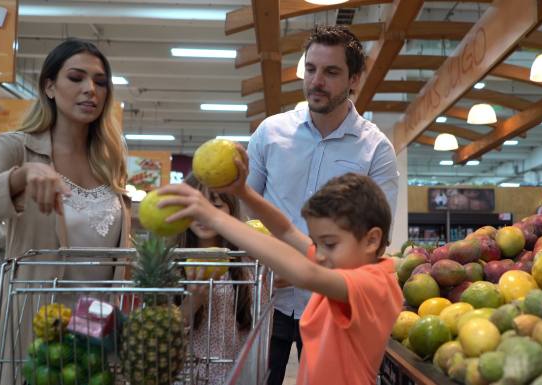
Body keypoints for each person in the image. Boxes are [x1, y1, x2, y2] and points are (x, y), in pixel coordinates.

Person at [157, 153, 403, 385]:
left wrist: (215, 217)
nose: (316, 254)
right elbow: (286, 231)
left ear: (371, 240)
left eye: (328, 244)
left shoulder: (373, 284)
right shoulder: (338, 261)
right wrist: (243, 192)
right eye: (315, 243)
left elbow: (305, 273)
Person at [247, 25, 399, 384]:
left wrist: (310, 271)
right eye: (311, 69)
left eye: (331, 72)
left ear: (354, 80)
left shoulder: (375, 149)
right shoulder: (270, 133)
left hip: (334, 308)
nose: (316, 81)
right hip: (268, 302)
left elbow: (376, 239)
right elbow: (247, 210)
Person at [0, 38, 130, 383]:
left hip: (94, 334)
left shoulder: (110, 163)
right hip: (31, 328)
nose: (90, 89)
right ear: (49, 86)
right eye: (76, 78)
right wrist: (20, 177)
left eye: (100, 82)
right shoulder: (16, 148)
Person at [176, 173, 253, 385]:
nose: (204, 216)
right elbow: (163, 333)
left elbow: (254, 326)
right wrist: (192, 303)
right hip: (186, 376)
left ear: (230, 210)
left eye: (216, 206)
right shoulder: (174, 266)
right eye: (196, 207)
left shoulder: (245, 267)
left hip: (234, 376)